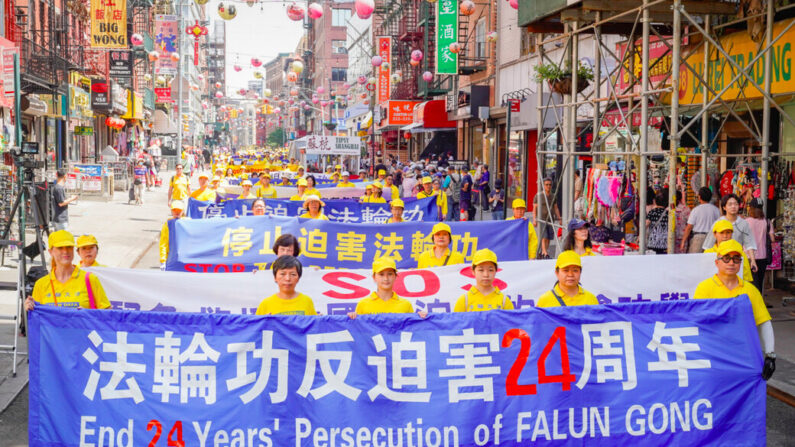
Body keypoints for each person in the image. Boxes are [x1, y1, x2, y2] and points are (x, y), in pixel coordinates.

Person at [693, 239, 775, 380]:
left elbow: (764, 322)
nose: (731, 263)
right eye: (726, 258)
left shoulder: (750, 290)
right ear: (717, 262)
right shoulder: (704, 288)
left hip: (744, 356)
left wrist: (770, 355)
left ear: (741, 263)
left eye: (736, 259)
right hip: (714, 356)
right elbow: (696, 323)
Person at [25, 230, 111, 311]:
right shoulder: (41, 284)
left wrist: (88, 315)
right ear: (51, 252)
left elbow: (108, 313)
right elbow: (38, 319)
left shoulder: (90, 279)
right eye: (60, 248)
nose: (65, 251)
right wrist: (30, 307)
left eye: (69, 247)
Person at [702, 194, 758, 271]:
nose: (733, 206)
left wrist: (753, 261)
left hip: (736, 260)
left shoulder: (743, 224)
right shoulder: (718, 223)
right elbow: (708, 245)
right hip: (720, 261)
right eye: (730, 204)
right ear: (724, 207)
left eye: (736, 204)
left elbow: (749, 244)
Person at [348, 257, 415, 317]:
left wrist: (421, 318)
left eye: (390, 274)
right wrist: (351, 319)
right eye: (381, 274)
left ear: (395, 276)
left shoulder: (406, 305)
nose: (386, 278)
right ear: (374, 277)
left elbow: (412, 328)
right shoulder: (363, 304)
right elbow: (358, 328)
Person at [680, 186, 721, 253]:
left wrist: (683, 241)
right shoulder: (716, 210)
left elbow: (689, 227)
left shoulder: (696, 210)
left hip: (698, 238)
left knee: (695, 260)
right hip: (712, 237)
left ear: (699, 197)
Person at [746, 198, 775, 294]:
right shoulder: (767, 222)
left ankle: (754, 304)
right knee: (759, 281)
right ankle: (758, 302)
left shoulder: (747, 221)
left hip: (749, 256)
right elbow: (772, 239)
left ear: (751, 208)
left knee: (751, 283)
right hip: (763, 256)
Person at [534, 177, 561, 257]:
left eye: (550, 185)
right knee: (544, 236)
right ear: (543, 185)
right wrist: (534, 219)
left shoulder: (553, 196)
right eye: (546, 185)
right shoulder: (539, 195)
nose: (548, 186)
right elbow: (534, 208)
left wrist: (559, 218)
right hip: (541, 219)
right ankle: (544, 252)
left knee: (549, 237)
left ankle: (544, 251)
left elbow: (556, 208)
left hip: (550, 219)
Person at [160, 200, 186, 269]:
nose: (177, 212)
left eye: (179, 210)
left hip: (185, 259)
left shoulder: (188, 222)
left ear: (183, 211)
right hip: (171, 258)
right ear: (171, 211)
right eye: (174, 210)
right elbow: (163, 243)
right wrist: (163, 261)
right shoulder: (167, 224)